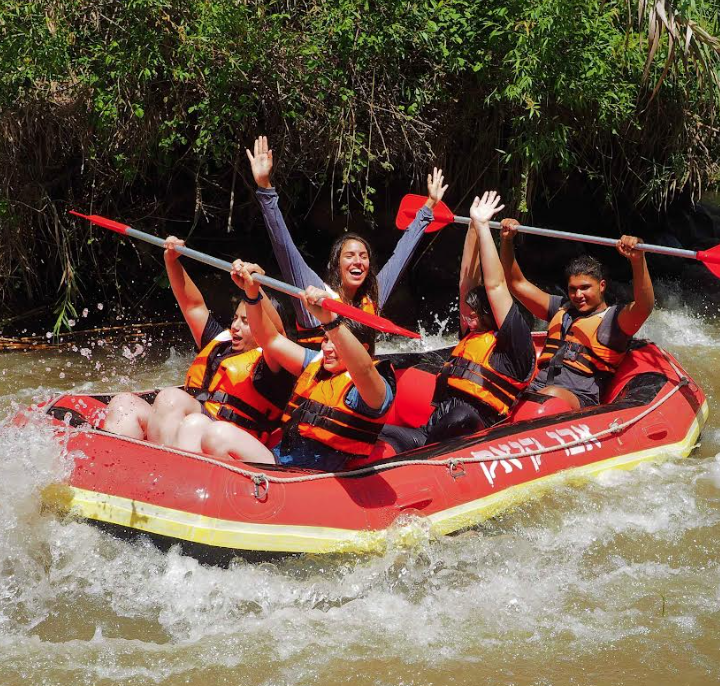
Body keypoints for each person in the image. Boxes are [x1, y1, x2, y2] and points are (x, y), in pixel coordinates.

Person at [189, 262, 396, 471]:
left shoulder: (375, 390)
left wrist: (331, 323)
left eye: (335, 341)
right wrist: (252, 294)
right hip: (278, 461)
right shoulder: (316, 363)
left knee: (218, 436)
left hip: (306, 476)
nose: (327, 348)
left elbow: (363, 369)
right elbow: (270, 340)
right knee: (197, 425)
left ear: (363, 347)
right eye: (325, 340)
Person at [247, 135, 447, 346]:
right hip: (322, 376)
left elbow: (401, 256)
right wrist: (265, 187)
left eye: (363, 257)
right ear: (337, 265)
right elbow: (284, 248)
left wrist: (428, 207)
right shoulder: (315, 293)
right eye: (349, 256)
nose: (358, 262)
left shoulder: (373, 296)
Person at [101, 237, 294, 450]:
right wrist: (172, 261)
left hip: (224, 440)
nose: (236, 326)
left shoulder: (277, 361)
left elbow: (278, 334)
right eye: (236, 318)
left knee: (172, 400)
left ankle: (165, 470)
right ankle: (108, 471)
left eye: (247, 322)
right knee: (124, 404)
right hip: (188, 429)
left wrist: (254, 288)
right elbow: (193, 306)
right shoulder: (221, 343)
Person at [382, 191, 536, 451]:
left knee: (461, 416)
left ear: (493, 314)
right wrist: (474, 226)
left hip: (473, 433)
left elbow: (496, 285)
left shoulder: (514, 346)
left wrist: (486, 227)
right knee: (374, 430)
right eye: (469, 316)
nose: (469, 321)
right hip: (432, 432)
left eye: (476, 317)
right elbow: (466, 281)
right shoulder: (475, 332)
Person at [502, 218, 654, 410]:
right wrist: (507, 240)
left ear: (602, 286)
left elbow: (644, 306)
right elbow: (516, 283)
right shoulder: (560, 307)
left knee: (546, 400)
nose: (578, 295)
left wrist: (637, 260)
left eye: (585, 288)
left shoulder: (614, 321)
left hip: (579, 398)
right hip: (538, 390)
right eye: (573, 289)